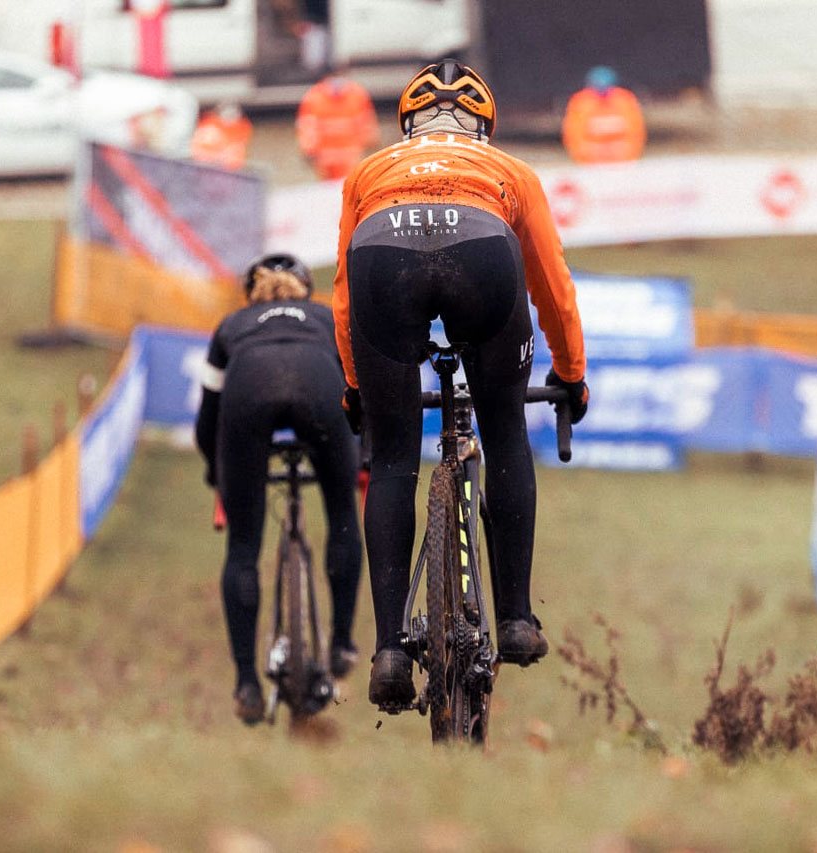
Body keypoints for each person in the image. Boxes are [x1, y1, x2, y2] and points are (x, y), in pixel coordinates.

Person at [331, 59, 591, 709]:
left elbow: (341, 295)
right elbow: (552, 286)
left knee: (392, 459)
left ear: (409, 123)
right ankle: (517, 618)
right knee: (504, 432)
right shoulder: (512, 171)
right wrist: (571, 372)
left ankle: (390, 647)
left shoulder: (369, 170)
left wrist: (356, 386)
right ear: (483, 125)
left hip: (380, 249)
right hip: (482, 247)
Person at [195, 253, 363, 724]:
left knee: (244, 546)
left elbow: (209, 418)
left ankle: (247, 683)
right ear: (305, 291)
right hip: (320, 385)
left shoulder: (232, 325)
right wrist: (362, 459)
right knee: (342, 514)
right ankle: (342, 644)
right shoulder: (326, 317)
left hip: (250, 390)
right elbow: (360, 393)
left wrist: (218, 472)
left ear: (253, 295)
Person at [296, 71, 380, 181]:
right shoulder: (314, 97)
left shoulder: (356, 95)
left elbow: (365, 122)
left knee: (348, 185)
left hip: (347, 156)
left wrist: (307, 149)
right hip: (330, 158)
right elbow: (308, 126)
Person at [561, 66, 647, 164]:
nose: (602, 95)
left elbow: (636, 130)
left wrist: (628, 153)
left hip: (622, 159)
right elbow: (573, 133)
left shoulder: (624, 100)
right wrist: (585, 155)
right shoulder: (581, 102)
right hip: (591, 161)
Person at [191, 103, 253, 171]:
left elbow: (238, 148)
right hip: (209, 168)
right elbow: (198, 151)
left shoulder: (242, 126)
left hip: (231, 169)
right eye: (228, 115)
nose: (231, 119)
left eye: (233, 115)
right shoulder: (210, 128)